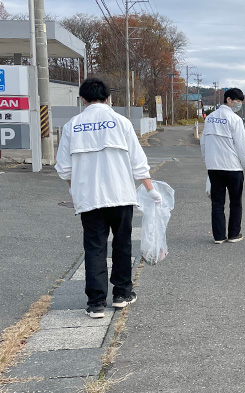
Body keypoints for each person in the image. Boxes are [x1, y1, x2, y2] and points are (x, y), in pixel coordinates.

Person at [55, 78, 161, 319]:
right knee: (122, 245)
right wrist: (150, 189)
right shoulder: (121, 122)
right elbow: (138, 162)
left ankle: (95, 303)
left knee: (94, 248)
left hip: (89, 199)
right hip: (120, 195)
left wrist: (75, 189)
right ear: (108, 98)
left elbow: (63, 168)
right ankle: (122, 294)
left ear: (82, 99)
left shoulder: (73, 125)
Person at [200, 88, 245, 244]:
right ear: (228, 99)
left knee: (217, 203)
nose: (239, 104)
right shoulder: (235, 120)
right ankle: (234, 234)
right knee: (236, 202)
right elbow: (241, 146)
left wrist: (206, 161)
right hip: (233, 167)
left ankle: (219, 236)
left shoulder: (209, 118)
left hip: (214, 167)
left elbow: (203, 142)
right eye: (237, 101)